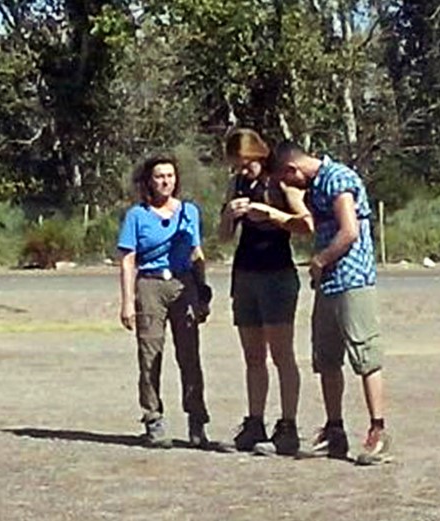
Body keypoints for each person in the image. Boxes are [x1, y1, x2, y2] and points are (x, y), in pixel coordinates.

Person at [260, 141, 391, 465]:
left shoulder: (337, 178)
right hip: (329, 284)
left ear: (292, 169)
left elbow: (349, 231)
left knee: (365, 355)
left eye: (287, 180)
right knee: (326, 358)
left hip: (353, 279)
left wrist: (320, 259)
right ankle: (335, 430)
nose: (290, 186)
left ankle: (378, 429)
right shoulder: (316, 186)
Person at [218, 129, 313, 456]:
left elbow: (307, 224)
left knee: (282, 354)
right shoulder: (237, 185)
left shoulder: (281, 182)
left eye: (247, 164)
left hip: (277, 274)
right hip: (245, 274)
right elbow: (223, 237)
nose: (243, 171)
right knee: (253, 356)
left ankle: (288, 425)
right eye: (238, 166)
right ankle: (254, 420)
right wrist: (230, 215)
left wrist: (273, 215)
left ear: (259, 156)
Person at [118, 153, 212, 449]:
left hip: (183, 283)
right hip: (149, 283)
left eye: (170, 176)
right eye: (159, 176)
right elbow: (128, 259)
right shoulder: (137, 215)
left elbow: (197, 253)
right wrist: (127, 302)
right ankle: (153, 418)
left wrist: (202, 292)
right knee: (150, 354)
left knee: (189, 355)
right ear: (149, 181)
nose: (165, 181)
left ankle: (197, 420)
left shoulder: (189, 212)